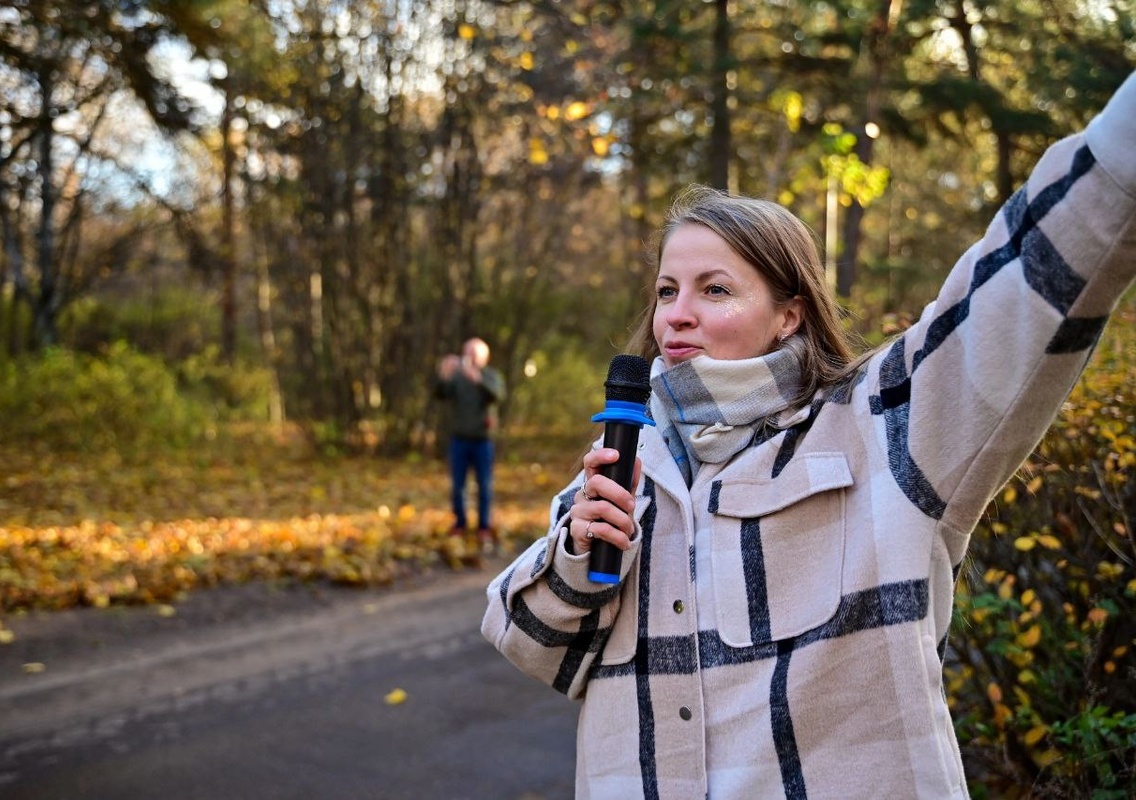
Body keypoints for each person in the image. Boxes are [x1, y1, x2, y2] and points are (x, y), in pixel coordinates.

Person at [482, 72, 1136, 799]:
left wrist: (1120, 149)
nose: (676, 314)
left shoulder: (881, 430)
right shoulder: (629, 461)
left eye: (715, 289)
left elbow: (1019, 283)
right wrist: (577, 556)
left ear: (789, 314)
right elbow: (532, 647)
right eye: (668, 290)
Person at [435, 336, 506, 547]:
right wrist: (444, 375)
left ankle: (483, 526)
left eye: (474, 353)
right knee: (458, 485)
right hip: (459, 440)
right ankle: (460, 523)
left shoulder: (491, 376)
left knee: (484, 485)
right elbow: (439, 394)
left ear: (484, 357)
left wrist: (478, 380)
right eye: (467, 352)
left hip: (482, 441)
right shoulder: (457, 378)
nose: (470, 357)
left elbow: (497, 396)